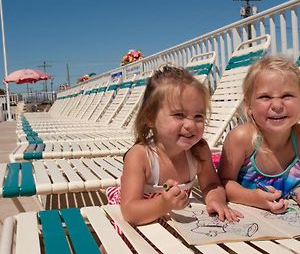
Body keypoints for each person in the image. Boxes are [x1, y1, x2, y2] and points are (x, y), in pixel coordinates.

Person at [106, 65, 241, 227]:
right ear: (150, 117)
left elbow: (212, 184)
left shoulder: (199, 150)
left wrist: (215, 200)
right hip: (136, 221)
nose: (191, 125)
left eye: (198, 116)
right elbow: (130, 212)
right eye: (179, 115)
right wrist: (162, 204)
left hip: (173, 219)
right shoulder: (140, 156)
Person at [218, 56, 300, 214]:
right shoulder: (242, 139)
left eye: (287, 95)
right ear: (249, 105)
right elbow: (222, 182)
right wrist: (252, 197)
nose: (277, 105)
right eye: (265, 97)